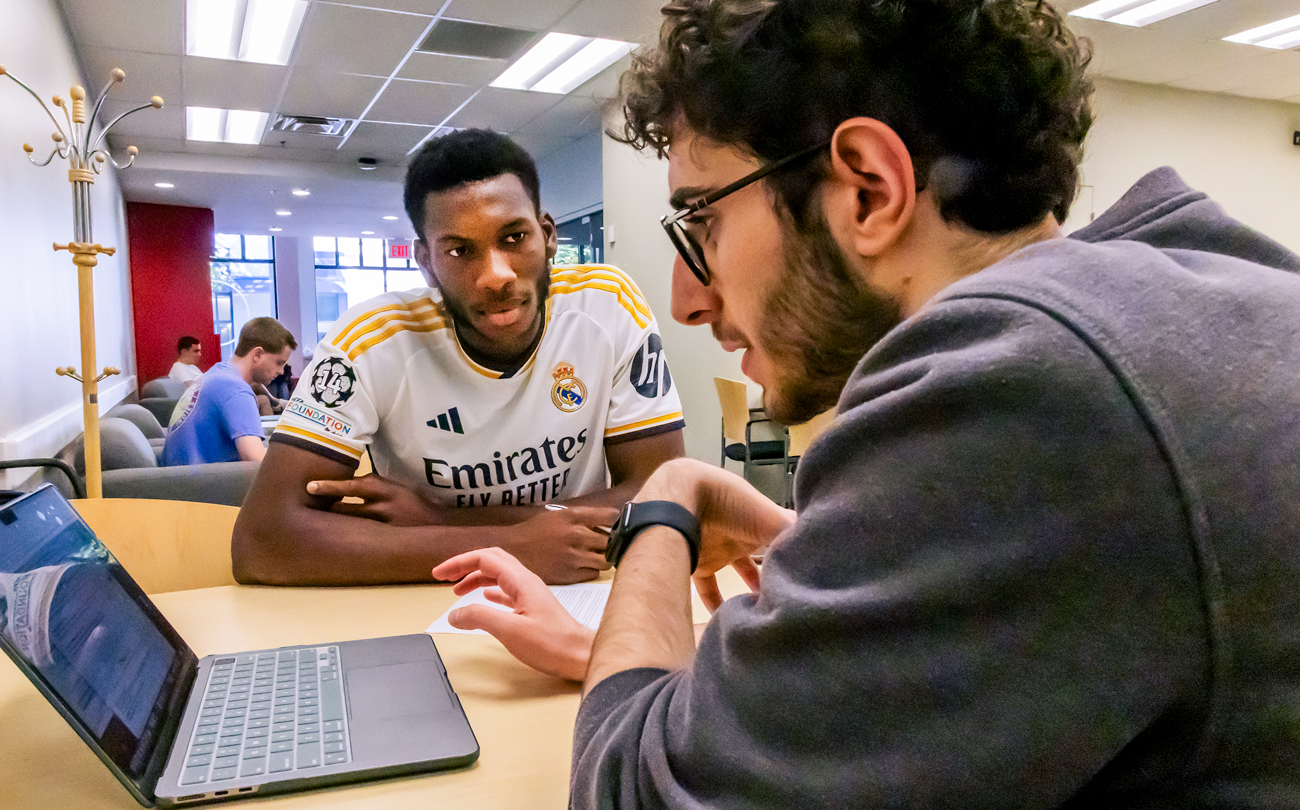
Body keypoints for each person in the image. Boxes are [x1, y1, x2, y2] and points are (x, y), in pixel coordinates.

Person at [431, 0, 1300, 807]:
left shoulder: (1031, 389)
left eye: (703, 222)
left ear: (869, 190)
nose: (687, 297)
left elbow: (629, 790)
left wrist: (665, 508)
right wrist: (719, 670)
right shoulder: (1191, 286)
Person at [232, 129, 686, 587]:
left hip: (577, 584)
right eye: (459, 250)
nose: (496, 275)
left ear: (547, 236)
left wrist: (439, 518)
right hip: (426, 594)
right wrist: (515, 548)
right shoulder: (367, 342)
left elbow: (660, 492)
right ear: (426, 261)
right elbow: (262, 540)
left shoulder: (608, 304)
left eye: (514, 237)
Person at [163, 318, 295, 465]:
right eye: (279, 362)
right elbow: (255, 459)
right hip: (204, 484)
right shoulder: (235, 390)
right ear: (257, 354)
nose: (282, 371)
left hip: (179, 479)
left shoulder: (217, 374)